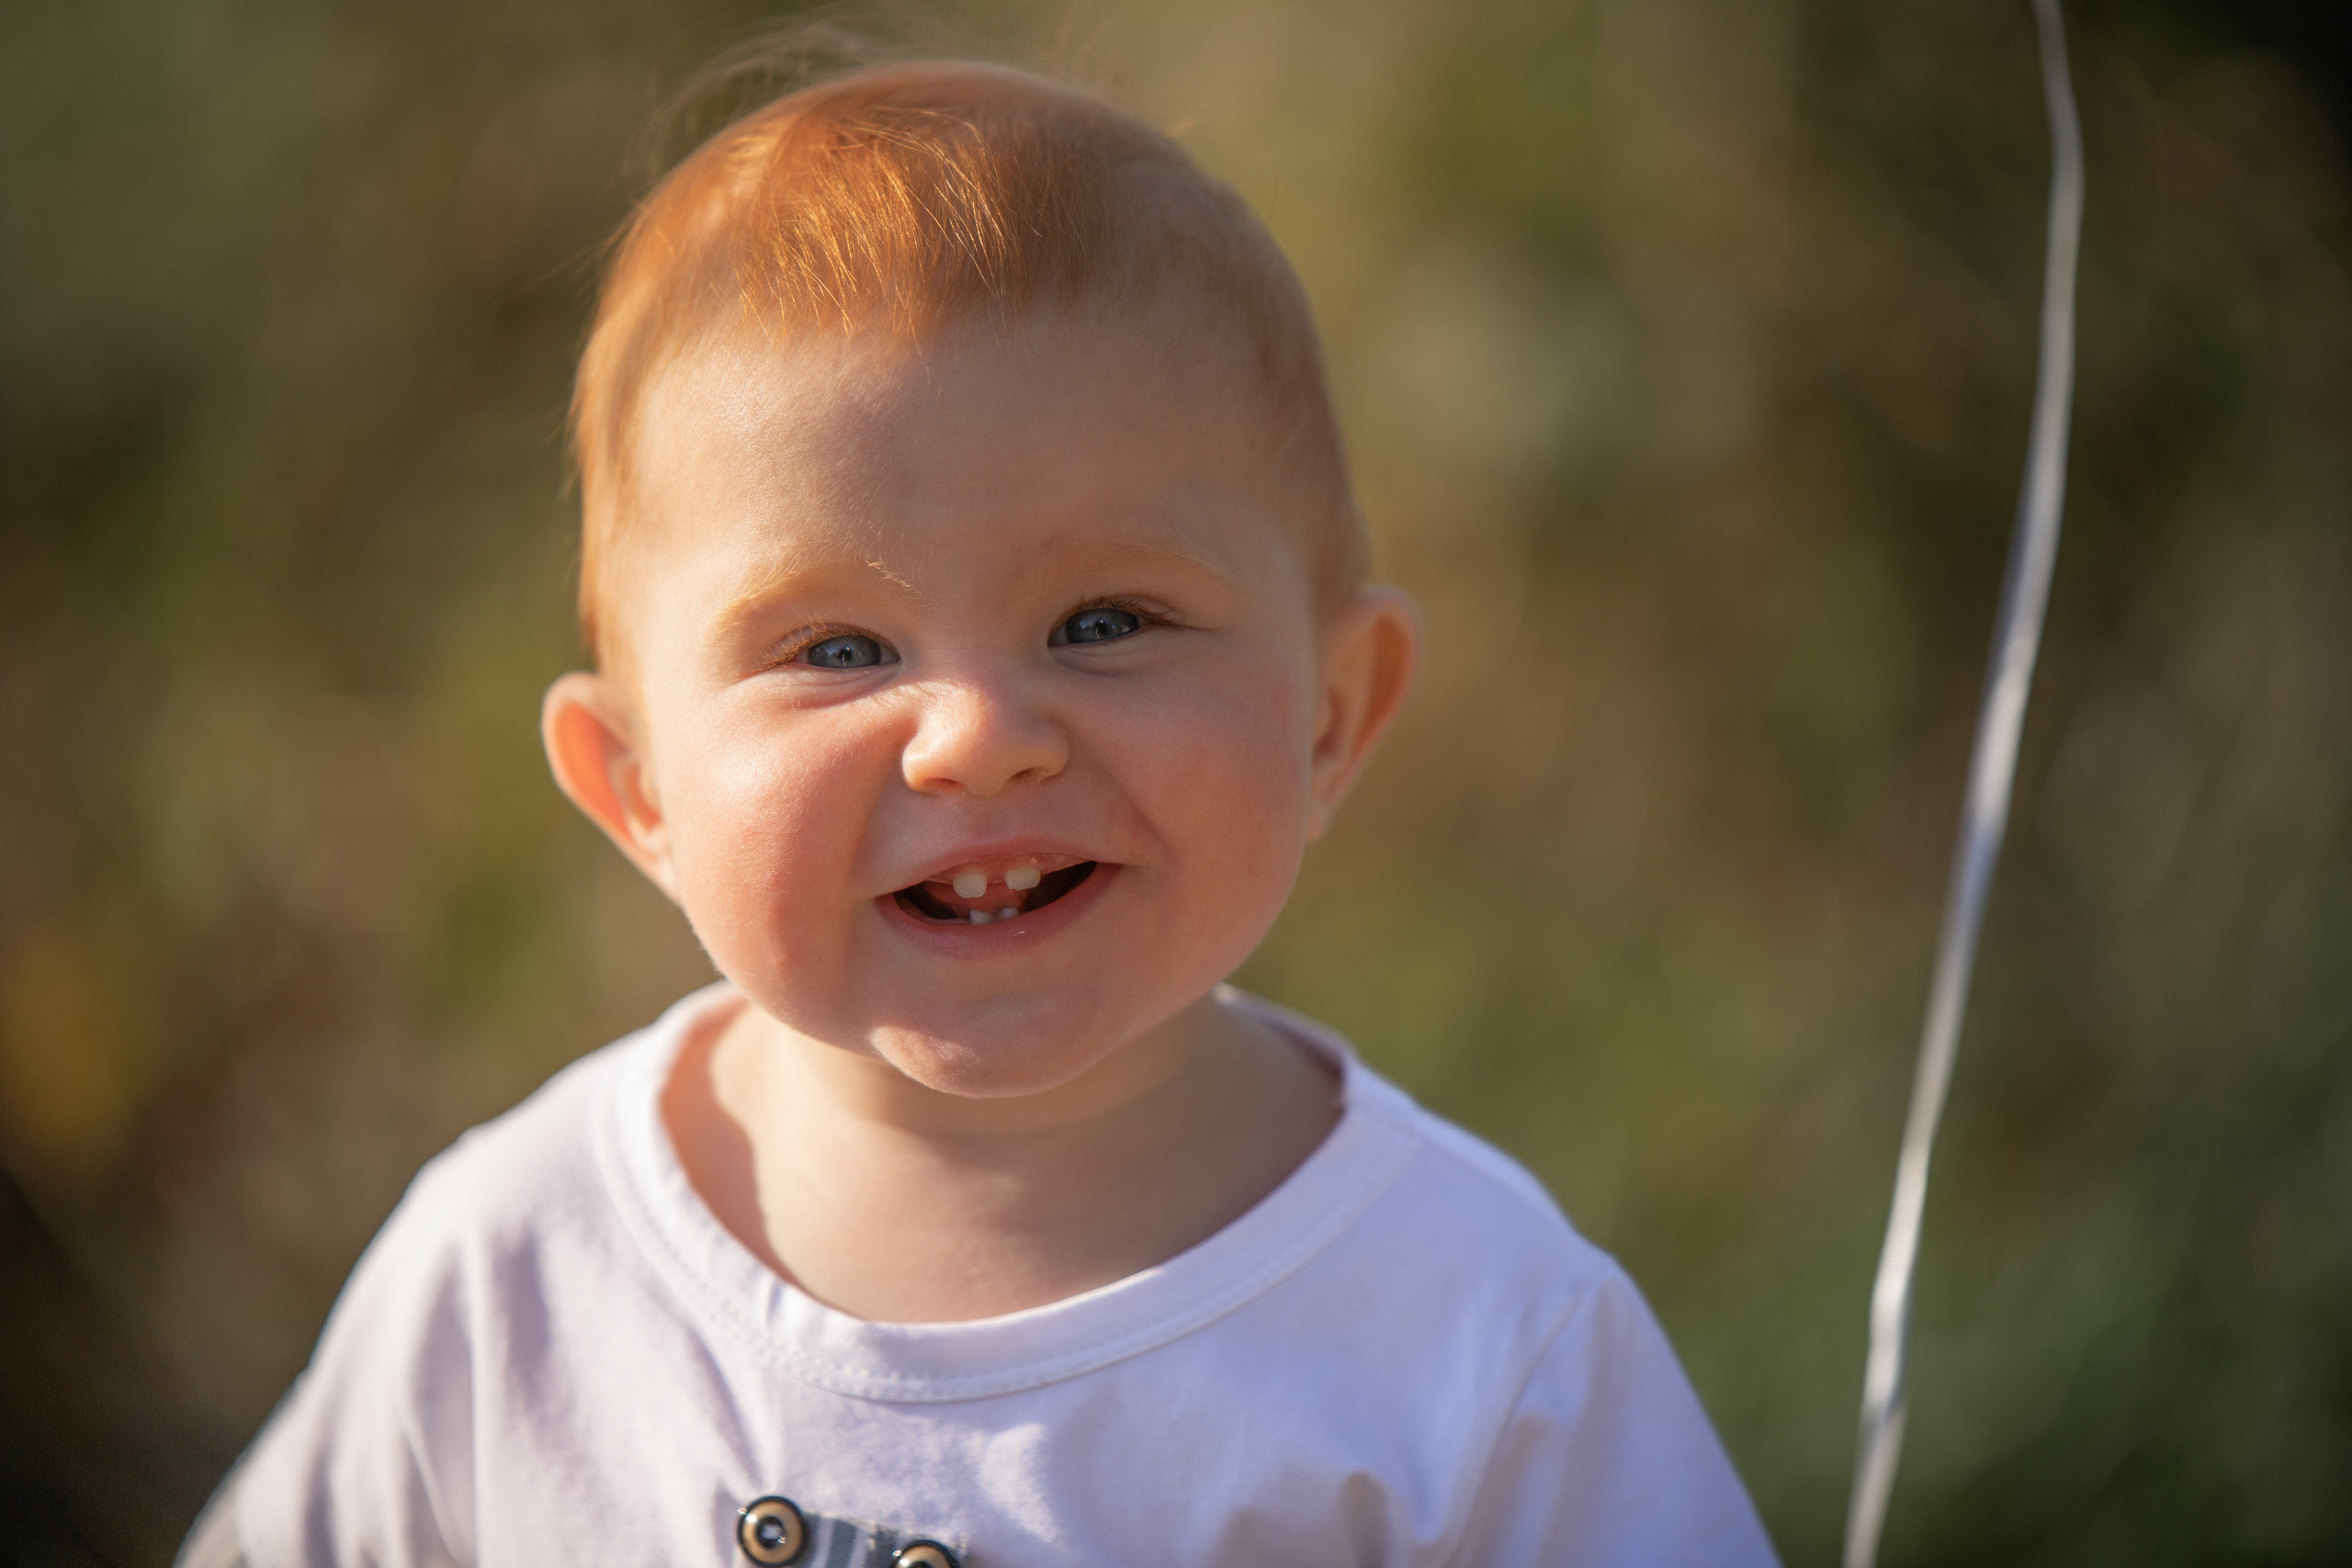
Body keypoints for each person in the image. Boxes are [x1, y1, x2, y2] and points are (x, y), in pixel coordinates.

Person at [182, 56, 1778, 1568]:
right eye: (837, 650)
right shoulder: (515, 1279)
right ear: (640, 790)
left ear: (1334, 715)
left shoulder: (1474, 1339)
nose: (978, 740)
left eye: (1105, 620)